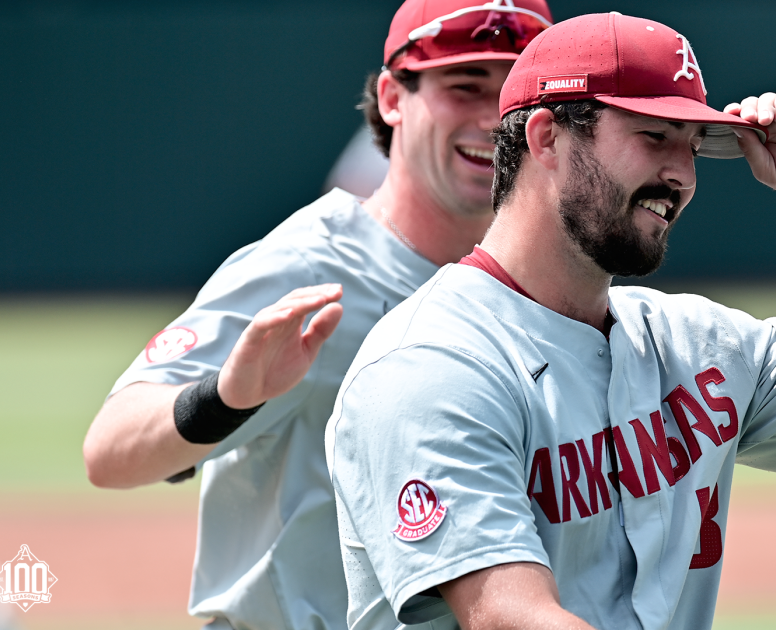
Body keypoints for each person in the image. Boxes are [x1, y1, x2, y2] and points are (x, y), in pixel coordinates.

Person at [326, 11, 776, 630]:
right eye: (653, 135)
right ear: (547, 137)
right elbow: (507, 615)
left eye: (694, 144)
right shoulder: (432, 367)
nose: (681, 175)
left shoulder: (695, 344)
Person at [81, 1, 554, 628]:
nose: (493, 119)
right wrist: (228, 396)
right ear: (392, 96)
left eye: (513, 93)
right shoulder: (310, 268)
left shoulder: (543, 281)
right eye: (463, 86)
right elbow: (109, 449)